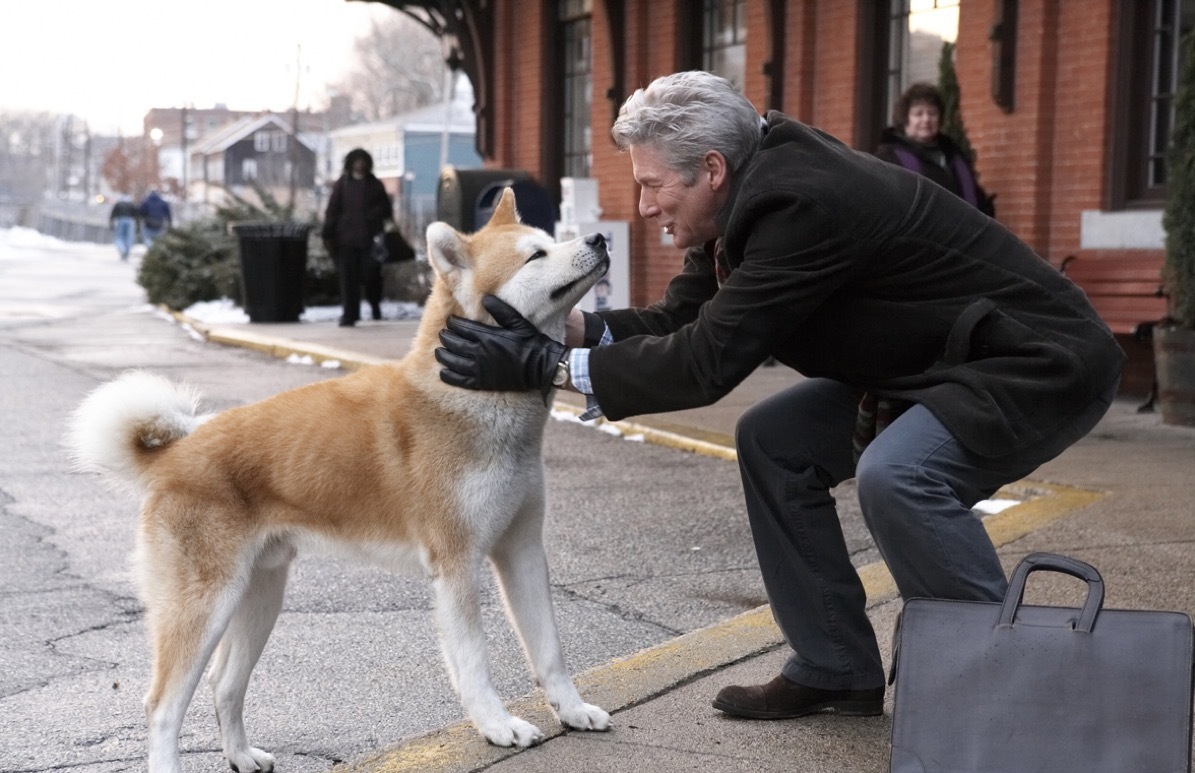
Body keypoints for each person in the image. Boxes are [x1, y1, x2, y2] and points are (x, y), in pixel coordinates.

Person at [435, 71, 1124, 723]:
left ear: (711, 169)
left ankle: (1022, 686)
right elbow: (683, 321)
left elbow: (706, 362)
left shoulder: (801, 203)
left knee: (900, 474)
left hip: (1034, 361)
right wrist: (564, 327)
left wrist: (545, 365)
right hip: (935, 364)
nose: (644, 208)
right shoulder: (741, 194)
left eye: (652, 186)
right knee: (773, 440)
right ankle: (834, 665)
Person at [876, 82, 994, 216]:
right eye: (918, 114)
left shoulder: (954, 155)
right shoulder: (889, 158)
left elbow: (975, 197)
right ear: (905, 119)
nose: (926, 119)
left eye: (932, 113)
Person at [321, 148, 394, 327]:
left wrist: (375, 215)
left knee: (371, 276)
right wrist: (327, 233)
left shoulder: (375, 184)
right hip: (345, 241)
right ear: (350, 163)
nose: (360, 164)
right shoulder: (341, 185)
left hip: (370, 241)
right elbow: (332, 211)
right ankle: (349, 315)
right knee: (348, 280)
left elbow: (387, 210)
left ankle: (375, 305)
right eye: (356, 161)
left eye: (363, 161)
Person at [109, 194, 139, 260]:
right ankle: (127, 252)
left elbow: (113, 214)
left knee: (119, 236)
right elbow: (136, 215)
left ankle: (122, 248)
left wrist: (111, 224)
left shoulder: (119, 204)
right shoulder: (131, 204)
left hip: (121, 220)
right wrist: (137, 226)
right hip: (130, 221)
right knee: (128, 237)